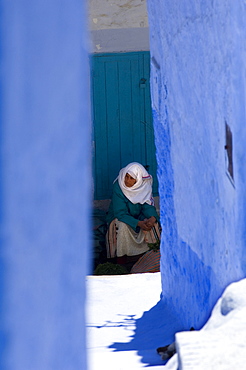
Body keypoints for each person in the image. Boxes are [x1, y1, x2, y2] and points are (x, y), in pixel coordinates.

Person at [106, 162, 160, 271]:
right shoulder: (119, 186)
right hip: (119, 217)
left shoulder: (144, 186)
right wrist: (138, 223)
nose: (127, 180)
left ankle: (151, 256)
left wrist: (152, 218)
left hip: (137, 215)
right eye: (126, 176)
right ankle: (122, 261)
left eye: (131, 178)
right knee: (123, 227)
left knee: (153, 225)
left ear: (139, 180)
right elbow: (120, 213)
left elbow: (147, 205)